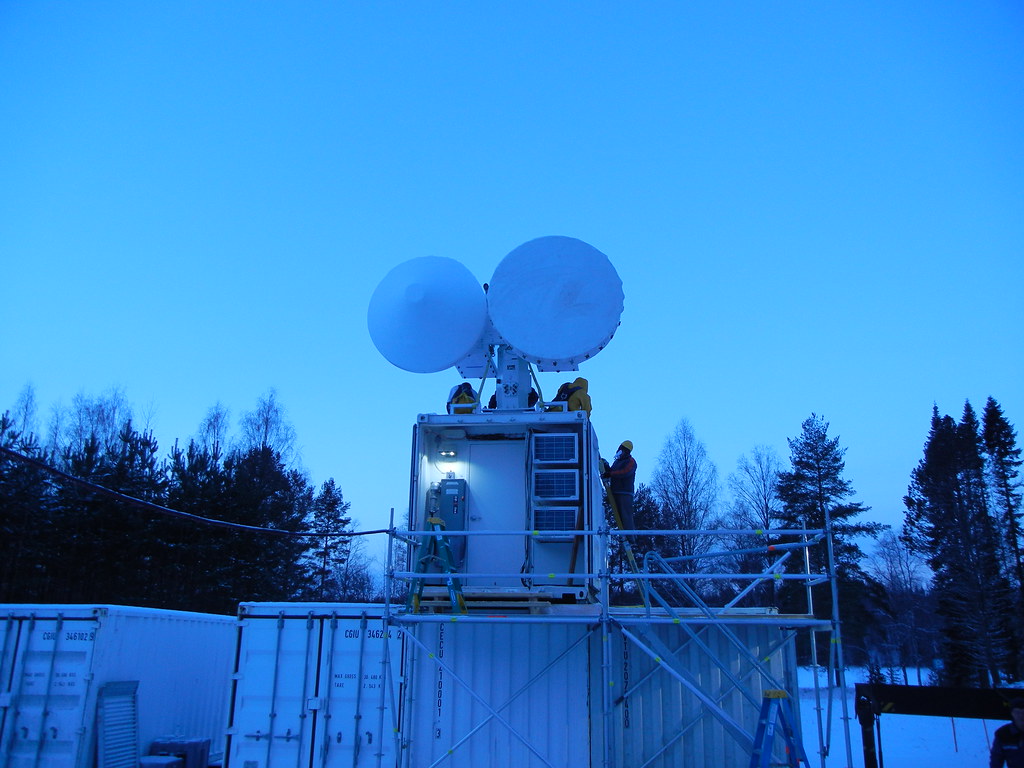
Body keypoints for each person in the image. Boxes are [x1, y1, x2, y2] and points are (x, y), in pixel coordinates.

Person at [602, 440, 636, 532]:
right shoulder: (617, 462)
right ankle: (623, 538)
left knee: (626, 517)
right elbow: (612, 472)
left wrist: (610, 474)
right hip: (615, 491)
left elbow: (625, 472)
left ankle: (630, 539)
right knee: (618, 517)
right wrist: (606, 466)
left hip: (625, 493)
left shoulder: (631, 461)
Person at [991, 698, 1024, 768]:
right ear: (1012, 713)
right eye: (1017, 712)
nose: (1021, 716)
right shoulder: (1003, 734)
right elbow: (996, 760)